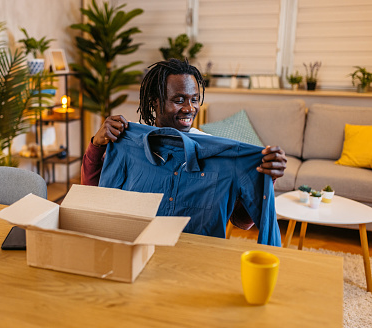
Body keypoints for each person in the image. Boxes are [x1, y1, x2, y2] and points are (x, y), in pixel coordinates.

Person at [81, 58, 287, 231]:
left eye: (195, 99)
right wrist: (97, 146)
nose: (189, 108)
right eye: (179, 100)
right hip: (139, 250)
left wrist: (266, 178)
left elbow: (242, 222)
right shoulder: (129, 141)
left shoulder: (215, 153)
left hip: (195, 258)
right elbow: (95, 195)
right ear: (155, 101)